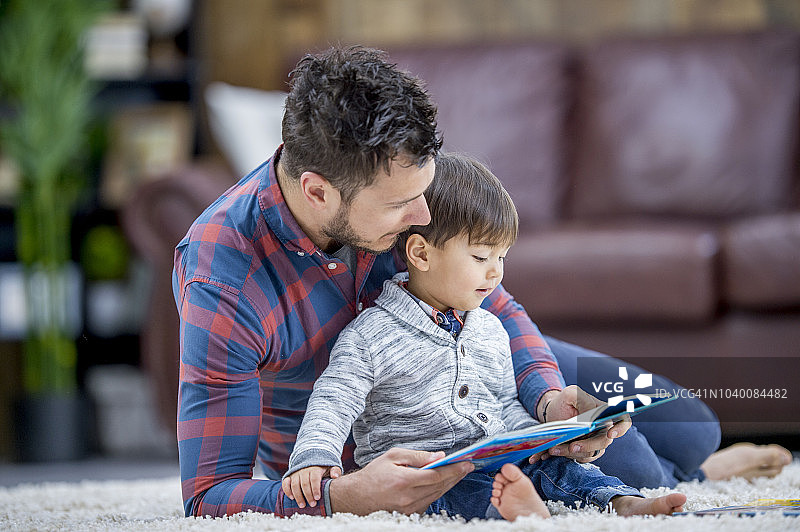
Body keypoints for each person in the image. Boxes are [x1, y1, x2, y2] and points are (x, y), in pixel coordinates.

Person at [173, 45, 790, 518]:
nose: (423, 215)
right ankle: (688, 478)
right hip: (397, 437)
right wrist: (345, 496)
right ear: (317, 190)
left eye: (423, 193)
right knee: (639, 476)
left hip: (480, 373)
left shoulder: (396, 184)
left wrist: (548, 397)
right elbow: (208, 496)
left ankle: (703, 463)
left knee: (689, 419)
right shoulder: (223, 281)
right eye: (400, 207)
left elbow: (503, 307)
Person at [281, 153, 688, 521]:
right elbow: (333, 399)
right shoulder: (371, 334)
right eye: (480, 258)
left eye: (501, 258)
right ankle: (524, 515)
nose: (496, 274)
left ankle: (624, 503)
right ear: (421, 255)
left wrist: (537, 437)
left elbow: (503, 402)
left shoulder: (489, 329)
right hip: (430, 476)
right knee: (467, 493)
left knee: (567, 469)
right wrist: (315, 457)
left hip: (496, 456)